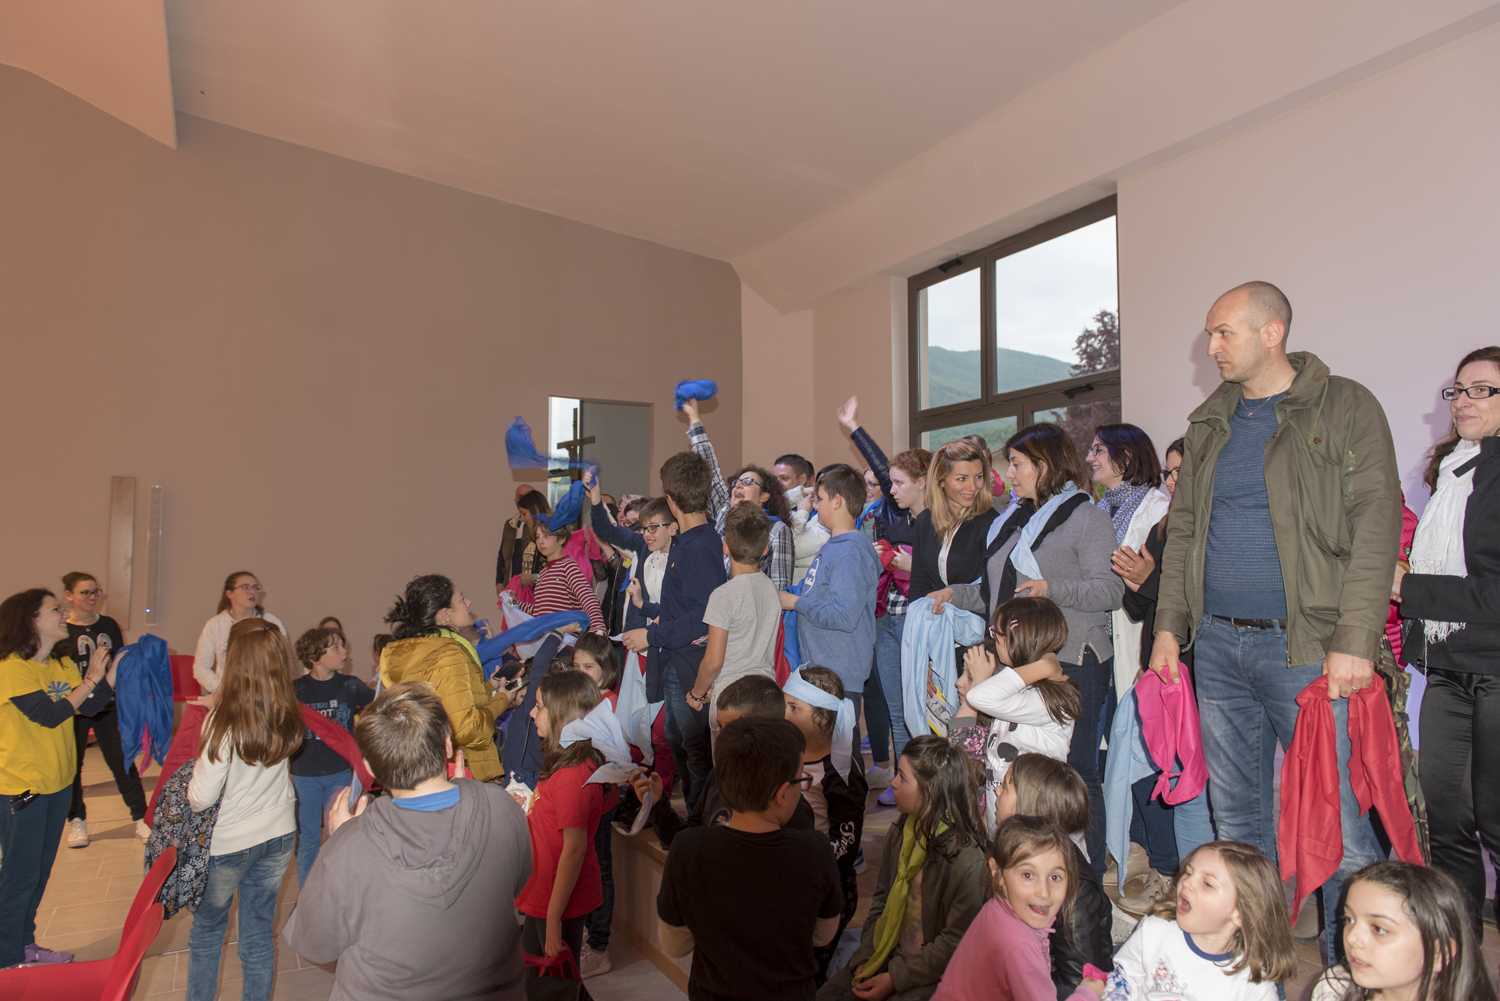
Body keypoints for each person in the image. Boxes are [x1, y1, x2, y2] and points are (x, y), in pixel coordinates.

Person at [1150, 281, 1401, 959]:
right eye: (1210, 333)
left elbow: (1376, 525)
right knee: (1238, 827)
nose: (1211, 346)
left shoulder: (1344, 405)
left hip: (1311, 649)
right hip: (1217, 648)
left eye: (1223, 332)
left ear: (1272, 332)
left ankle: (1352, 976)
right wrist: (1169, 627)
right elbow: (1184, 532)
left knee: (1340, 827)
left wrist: (1355, 639)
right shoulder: (1210, 422)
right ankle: (1258, 972)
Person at [936, 423, 1122, 878]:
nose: (1009, 475)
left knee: (1075, 771)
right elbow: (996, 593)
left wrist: (1051, 587)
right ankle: (1031, 867)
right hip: (1019, 658)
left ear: (1045, 465)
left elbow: (1110, 590)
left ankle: (1085, 878)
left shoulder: (1086, 517)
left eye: (1017, 465)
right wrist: (953, 595)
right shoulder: (1013, 521)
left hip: (1071, 659)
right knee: (1021, 772)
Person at [284, 681, 532, 1001]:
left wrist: (341, 840)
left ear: (370, 767)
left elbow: (317, 945)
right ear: (447, 744)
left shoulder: (349, 847)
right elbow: (518, 880)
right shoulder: (502, 808)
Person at [1393, 346, 1500, 934]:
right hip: (1449, 668)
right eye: (1458, 390)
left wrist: (1410, 587)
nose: (1463, 401)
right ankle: (1462, 964)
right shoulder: (1454, 470)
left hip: (1495, 669)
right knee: (1445, 823)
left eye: (1482, 390)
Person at [657, 716, 844, 1001]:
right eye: (800, 779)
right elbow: (823, 935)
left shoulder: (687, 848)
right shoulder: (815, 850)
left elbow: (675, 945)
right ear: (782, 793)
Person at [1109, 435, 1212, 908]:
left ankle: (1186, 874)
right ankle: (1166, 865)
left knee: (1186, 777)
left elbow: (1197, 605)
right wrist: (1134, 581)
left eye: (1180, 472)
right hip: (1158, 663)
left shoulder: (1210, 528)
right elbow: (1142, 607)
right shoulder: (1162, 528)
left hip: (1194, 667)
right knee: (1153, 768)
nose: (1171, 482)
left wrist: (1148, 582)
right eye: (1168, 473)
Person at [817, 735, 988, 1001]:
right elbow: (881, 902)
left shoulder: (965, 860)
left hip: (933, 974)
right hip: (888, 956)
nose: (893, 783)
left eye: (902, 777)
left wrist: (895, 979)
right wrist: (867, 956)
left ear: (930, 791)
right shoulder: (900, 832)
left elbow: (954, 944)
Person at [186, 618, 304, 1001]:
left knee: (207, 932)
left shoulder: (222, 723)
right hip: (278, 835)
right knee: (257, 936)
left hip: (229, 844)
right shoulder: (286, 710)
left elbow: (201, 798)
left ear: (233, 659)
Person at [0, 588, 117, 969]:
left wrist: (110, 674)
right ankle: (6, 959)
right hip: (23, 787)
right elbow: (50, 715)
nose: (64, 614)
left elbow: (89, 707)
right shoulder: (12, 668)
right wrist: (91, 680)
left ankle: (25, 945)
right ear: (31, 620)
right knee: (19, 876)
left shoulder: (60, 662)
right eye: (55, 609)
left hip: (58, 783)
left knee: (38, 873)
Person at [838, 394, 933, 803]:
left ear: (923, 482)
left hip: (919, 619)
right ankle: (901, 778)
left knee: (921, 705)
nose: (889, 489)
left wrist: (914, 565)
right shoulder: (895, 512)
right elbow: (882, 466)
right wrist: (853, 426)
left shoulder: (939, 520)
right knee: (896, 706)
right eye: (889, 483)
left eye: (898, 483)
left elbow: (950, 575)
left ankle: (928, 782)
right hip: (887, 618)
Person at [622, 450, 725, 807]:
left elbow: (702, 616)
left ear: (670, 500)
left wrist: (651, 635)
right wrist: (652, 614)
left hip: (690, 663)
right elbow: (681, 606)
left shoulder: (697, 548)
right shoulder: (688, 541)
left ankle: (702, 820)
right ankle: (695, 817)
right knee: (677, 740)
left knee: (696, 754)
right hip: (676, 659)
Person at [931, 815, 1103, 1001]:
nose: (1044, 892)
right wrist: (1089, 993)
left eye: (1055, 877)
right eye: (1028, 875)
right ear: (997, 873)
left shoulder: (997, 906)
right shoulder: (1020, 946)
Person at [633, 674, 816, 846]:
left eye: (734, 729)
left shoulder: (792, 808)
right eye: (720, 727)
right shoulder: (716, 776)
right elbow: (691, 837)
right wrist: (657, 806)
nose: (723, 738)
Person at [1100, 841, 1295, 1001]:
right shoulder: (1155, 929)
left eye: (1207, 884)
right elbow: (1124, 978)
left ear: (1241, 914)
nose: (1187, 883)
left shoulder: (1253, 985)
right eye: (1188, 873)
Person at [951, 596, 1080, 833]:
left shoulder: (1043, 699)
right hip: (1006, 822)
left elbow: (979, 697)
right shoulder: (1020, 692)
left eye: (996, 633)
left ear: (1017, 639)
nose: (993, 637)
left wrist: (1044, 666)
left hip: (1034, 822)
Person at [515, 670, 613, 971]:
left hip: (555, 900)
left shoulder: (571, 775)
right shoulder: (568, 764)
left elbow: (574, 848)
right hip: (543, 892)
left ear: (562, 714)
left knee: (556, 983)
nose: (532, 713)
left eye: (539, 706)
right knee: (533, 976)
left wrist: (554, 918)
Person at [993, 753, 1113, 998]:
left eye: (1006, 786)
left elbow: (1079, 982)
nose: (996, 791)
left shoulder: (1076, 890)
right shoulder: (1016, 857)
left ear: (1028, 805)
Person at [380, 575, 515, 782]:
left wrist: (490, 687)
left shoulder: (419, 652)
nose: (468, 602)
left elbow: (451, 704)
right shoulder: (449, 654)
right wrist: (502, 700)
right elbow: (464, 729)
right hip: (465, 774)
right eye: (461, 599)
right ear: (445, 615)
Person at [784, 666, 868, 981]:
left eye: (794, 708)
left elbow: (846, 844)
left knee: (809, 973)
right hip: (790, 878)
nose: (784, 715)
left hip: (827, 888)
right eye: (784, 705)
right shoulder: (787, 754)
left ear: (822, 717)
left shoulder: (841, 771)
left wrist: (804, 860)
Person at [1309, 860, 1497, 1001]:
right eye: (1349, 919)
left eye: (1379, 929)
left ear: (1439, 953)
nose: (1352, 937)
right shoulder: (1334, 989)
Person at [781, 465, 881, 719]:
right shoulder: (834, 546)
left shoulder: (850, 551)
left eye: (820, 499)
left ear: (837, 501)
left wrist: (796, 603)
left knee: (838, 742)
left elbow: (844, 617)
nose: (815, 505)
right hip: (823, 667)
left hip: (839, 672)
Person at [56, 571, 148, 845]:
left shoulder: (108, 624)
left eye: (95, 592)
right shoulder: (63, 630)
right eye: (85, 592)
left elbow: (121, 664)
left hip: (108, 705)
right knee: (73, 766)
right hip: (76, 707)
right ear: (69, 595)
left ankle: (141, 818)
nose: (92, 597)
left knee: (122, 761)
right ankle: (77, 821)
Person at [289, 626, 374, 886]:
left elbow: (379, 705)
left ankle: (334, 891)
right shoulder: (295, 690)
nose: (344, 651)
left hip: (340, 773)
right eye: (335, 648)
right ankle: (308, 894)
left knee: (338, 835)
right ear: (314, 658)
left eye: (342, 645)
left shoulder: (351, 685)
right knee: (308, 839)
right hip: (305, 775)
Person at [682, 398, 795, 589]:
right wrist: (694, 417)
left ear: (764, 496)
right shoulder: (724, 513)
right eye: (736, 483)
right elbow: (710, 468)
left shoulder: (776, 530)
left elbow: (780, 588)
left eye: (748, 482)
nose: (739, 486)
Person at [691, 504, 782, 725]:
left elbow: (713, 662)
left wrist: (697, 693)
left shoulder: (723, 595)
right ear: (765, 549)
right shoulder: (771, 588)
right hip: (767, 694)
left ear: (725, 547)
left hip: (731, 700)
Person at [910, 439, 999, 604]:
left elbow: (993, 589)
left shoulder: (991, 523)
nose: (973, 486)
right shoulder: (924, 521)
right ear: (941, 480)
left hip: (975, 618)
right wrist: (917, 615)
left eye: (978, 477)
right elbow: (918, 582)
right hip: (933, 616)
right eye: (962, 479)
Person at [192, 571, 287, 694]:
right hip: (227, 694)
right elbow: (200, 668)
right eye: (245, 587)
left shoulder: (271, 621)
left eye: (255, 588)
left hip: (265, 694)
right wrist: (223, 688)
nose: (252, 592)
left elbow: (285, 662)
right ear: (229, 593)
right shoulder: (215, 625)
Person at [517, 518, 607, 634]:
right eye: (537, 537)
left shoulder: (568, 566)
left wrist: (598, 627)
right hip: (549, 639)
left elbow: (588, 598)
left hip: (566, 641)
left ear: (561, 538)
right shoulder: (543, 573)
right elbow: (539, 611)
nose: (540, 541)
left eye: (546, 536)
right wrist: (513, 604)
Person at [498, 487, 551, 594]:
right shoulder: (532, 539)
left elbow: (558, 576)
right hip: (529, 599)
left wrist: (533, 578)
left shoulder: (552, 538)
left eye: (524, 514)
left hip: (544, 598)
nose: (521, 518)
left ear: (534, 511)